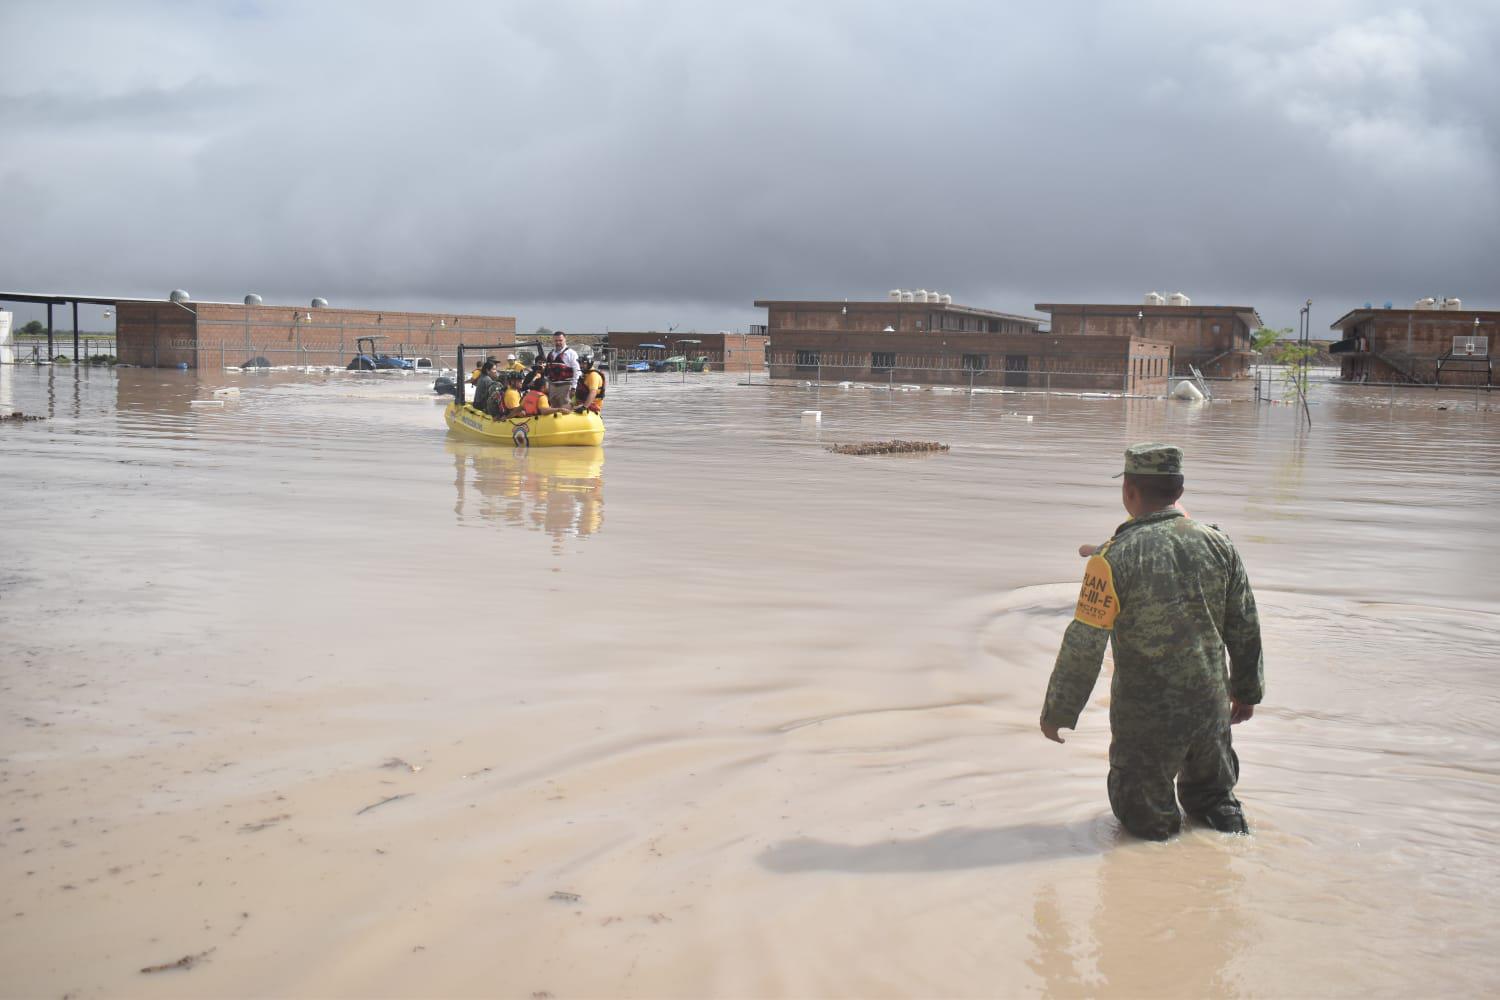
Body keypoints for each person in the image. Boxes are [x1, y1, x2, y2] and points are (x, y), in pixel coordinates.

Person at [1040, 443, 1264, 841]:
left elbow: (1084, 646)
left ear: (1129, 491)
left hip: (1146, 722)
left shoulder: (1111, 558)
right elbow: (1244, 625)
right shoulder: (1220, 545)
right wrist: (1247, 692)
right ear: (1179, 490)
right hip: (1210, 711)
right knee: (1217, 807)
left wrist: (1059, 710)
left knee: (1148, 827)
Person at [543, 331, 580, 408]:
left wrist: (574, 387)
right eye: (556, 340)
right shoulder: (551, 354)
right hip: (552, 386)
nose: (558, 342)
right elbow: (547, 371)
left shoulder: (571, 353)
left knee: (565, 408)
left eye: (560, 340)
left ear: (565, 340)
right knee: (554, 408)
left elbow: (577, 372)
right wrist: (545, 384)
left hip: (565, 386)